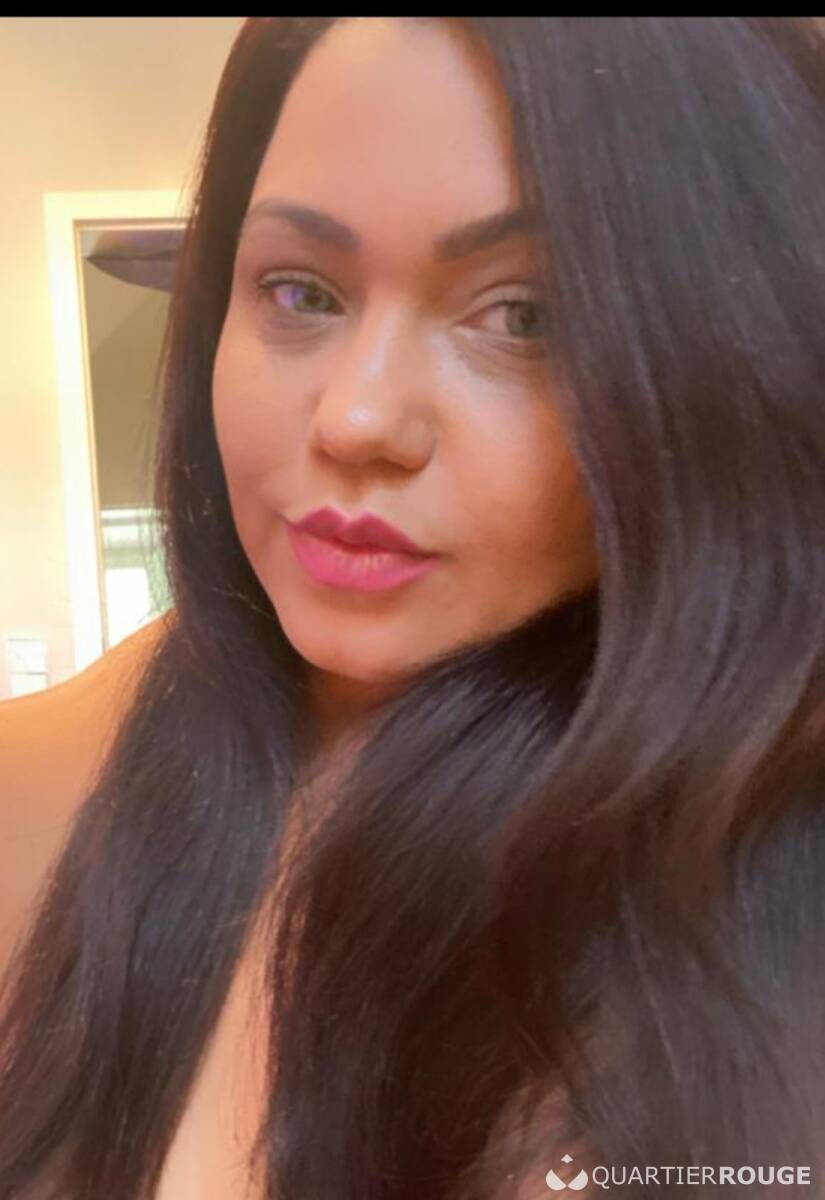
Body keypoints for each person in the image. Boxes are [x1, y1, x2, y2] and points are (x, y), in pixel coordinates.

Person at [1, 16, 824, 1200]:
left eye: (526, 316)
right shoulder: (65, 777)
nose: (356, 419)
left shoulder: (758, 858)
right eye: (300, 290)